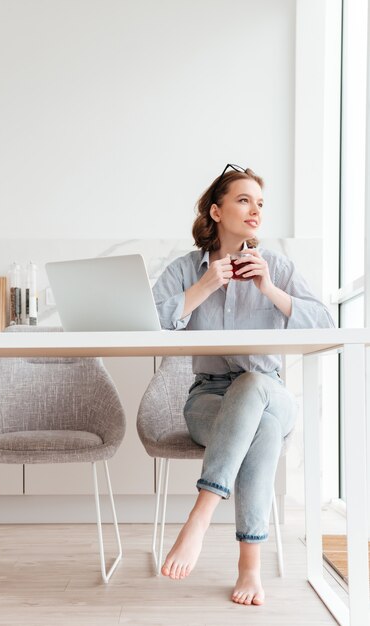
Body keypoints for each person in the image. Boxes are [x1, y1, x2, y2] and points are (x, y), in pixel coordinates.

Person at [152, 164, 334, 606]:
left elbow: (326, 324)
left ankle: (200, 516)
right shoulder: (183, 270)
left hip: (270, 390)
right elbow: (150, 324)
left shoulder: (278, 267)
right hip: (208, 399)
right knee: (262, 431)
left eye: (260, 203)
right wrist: (202, 287)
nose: (255, 211)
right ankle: (250, 568)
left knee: (254, 385)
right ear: (216, 211)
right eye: (243, 200)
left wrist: (270, 289)